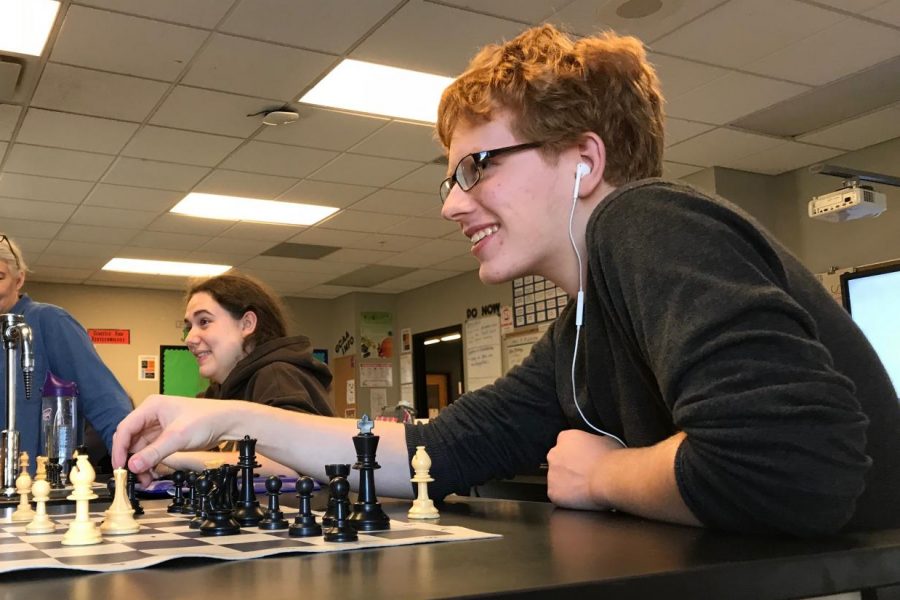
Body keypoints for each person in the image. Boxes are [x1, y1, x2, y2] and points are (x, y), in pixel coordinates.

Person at [112, 25, 900, 537]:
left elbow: (791, 462)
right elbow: (430, 453)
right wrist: (224, 421)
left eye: (477, 165)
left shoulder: (650, 221)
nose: (453, 202)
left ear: (586, 161)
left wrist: (608, 475)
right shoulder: (584, 329)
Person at [149, 272, 334, 475]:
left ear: (247, 324)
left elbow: (292, 464)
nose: (190, 338)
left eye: (204, 322)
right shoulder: (218, 392)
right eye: (188, 327)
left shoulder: (277, 376)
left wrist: (175, 458)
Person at [0, 233, 133, 467]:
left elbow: (104, 399)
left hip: (35, 486)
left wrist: (133, 462)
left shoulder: (49, 322)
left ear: (19, 280)